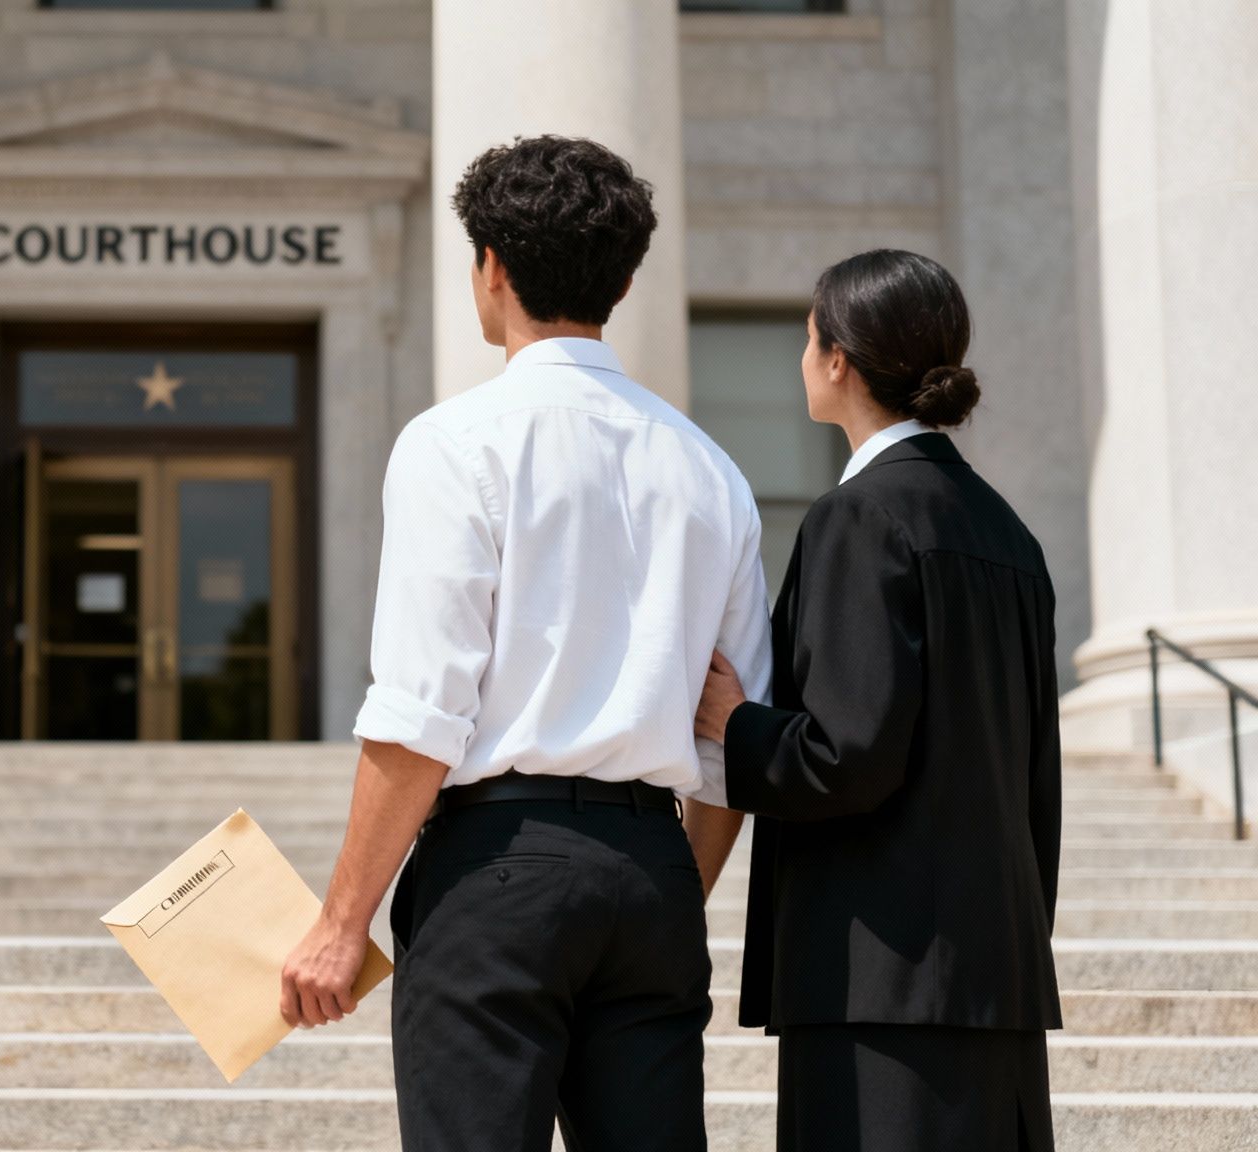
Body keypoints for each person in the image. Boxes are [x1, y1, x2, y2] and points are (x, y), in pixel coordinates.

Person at [278, 134, 771, 1152]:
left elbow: (421, 713)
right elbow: (732, 743)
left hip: (493, 866)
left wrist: (340, 925)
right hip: (652, 869)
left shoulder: (454, 444)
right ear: (626, 278)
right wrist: (665, 888)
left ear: (489, 268)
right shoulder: (710, 469)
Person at [695, 249, 1063, 1151]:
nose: (802, 356)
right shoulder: (1007, 531)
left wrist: (736, 726)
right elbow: (1035, 779)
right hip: (993, 977)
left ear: (838, 361)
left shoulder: (858, 517)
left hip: (880, 982)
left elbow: (847, 754)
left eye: (808, 336)